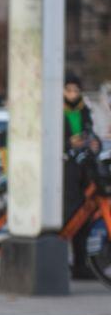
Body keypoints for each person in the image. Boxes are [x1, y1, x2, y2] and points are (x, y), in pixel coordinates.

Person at [64, 73, 98, 279]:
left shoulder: (84, 110)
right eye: (68, 90)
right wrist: (69, 143)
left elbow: (91, 133)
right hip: (65, 169)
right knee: (71, 214)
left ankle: (80, 264)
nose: (73, 94)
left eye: (76, 90)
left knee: (84, 218)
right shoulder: (55, 109)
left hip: (83, 168)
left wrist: (94, 144)